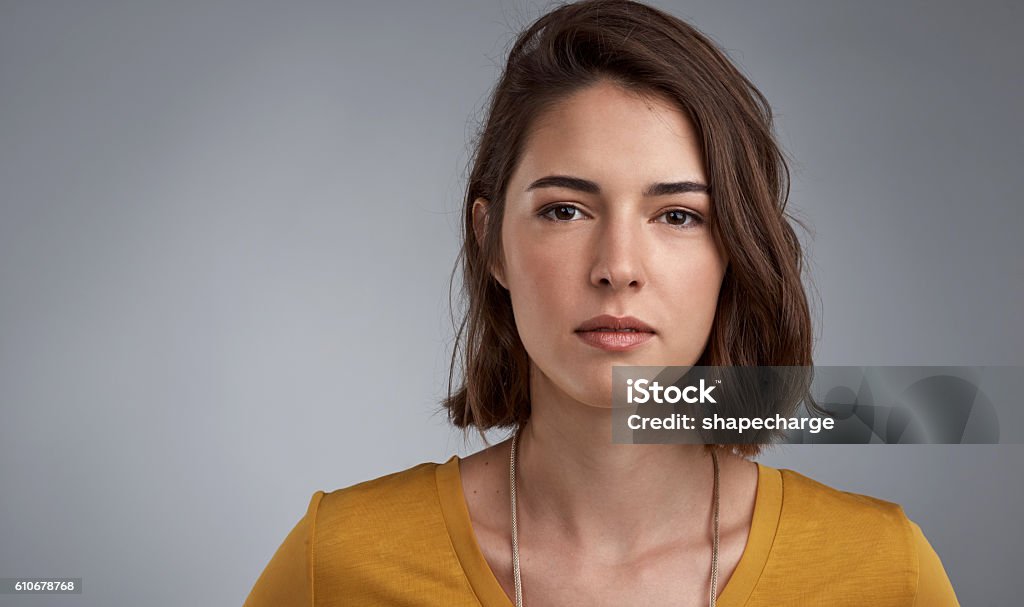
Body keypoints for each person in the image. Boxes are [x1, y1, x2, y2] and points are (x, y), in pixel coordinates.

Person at [243, 1, 960, 605]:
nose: (618, 268)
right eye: (564, 210)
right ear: (491, 242)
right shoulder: (333, 566)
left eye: (678, 215)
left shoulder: (884, 572)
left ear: (734, 252)